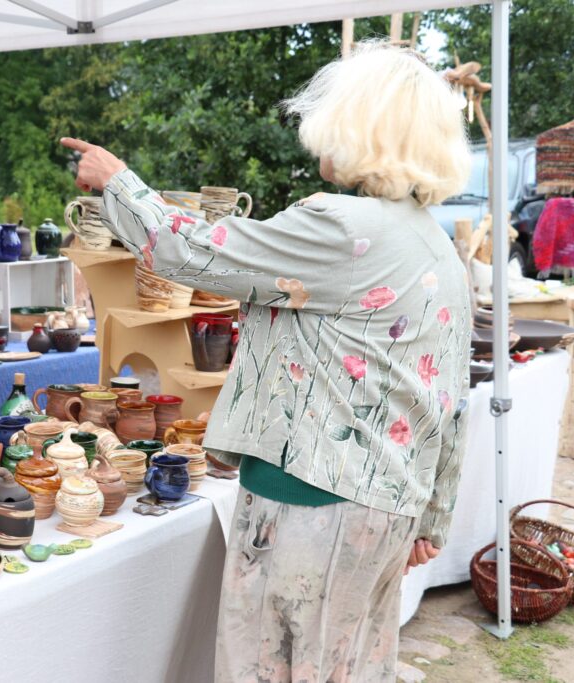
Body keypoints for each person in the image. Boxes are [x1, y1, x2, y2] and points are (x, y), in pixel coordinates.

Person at [63, 42, 471, 682]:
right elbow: (453, 392)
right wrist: (435, 514)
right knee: (351, 668)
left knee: (268, 667)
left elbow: (188, 250)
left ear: (356, 127)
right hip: (388, 499)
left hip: (312, 496)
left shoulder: (342, 227)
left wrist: (118, 182)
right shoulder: (432, 238)